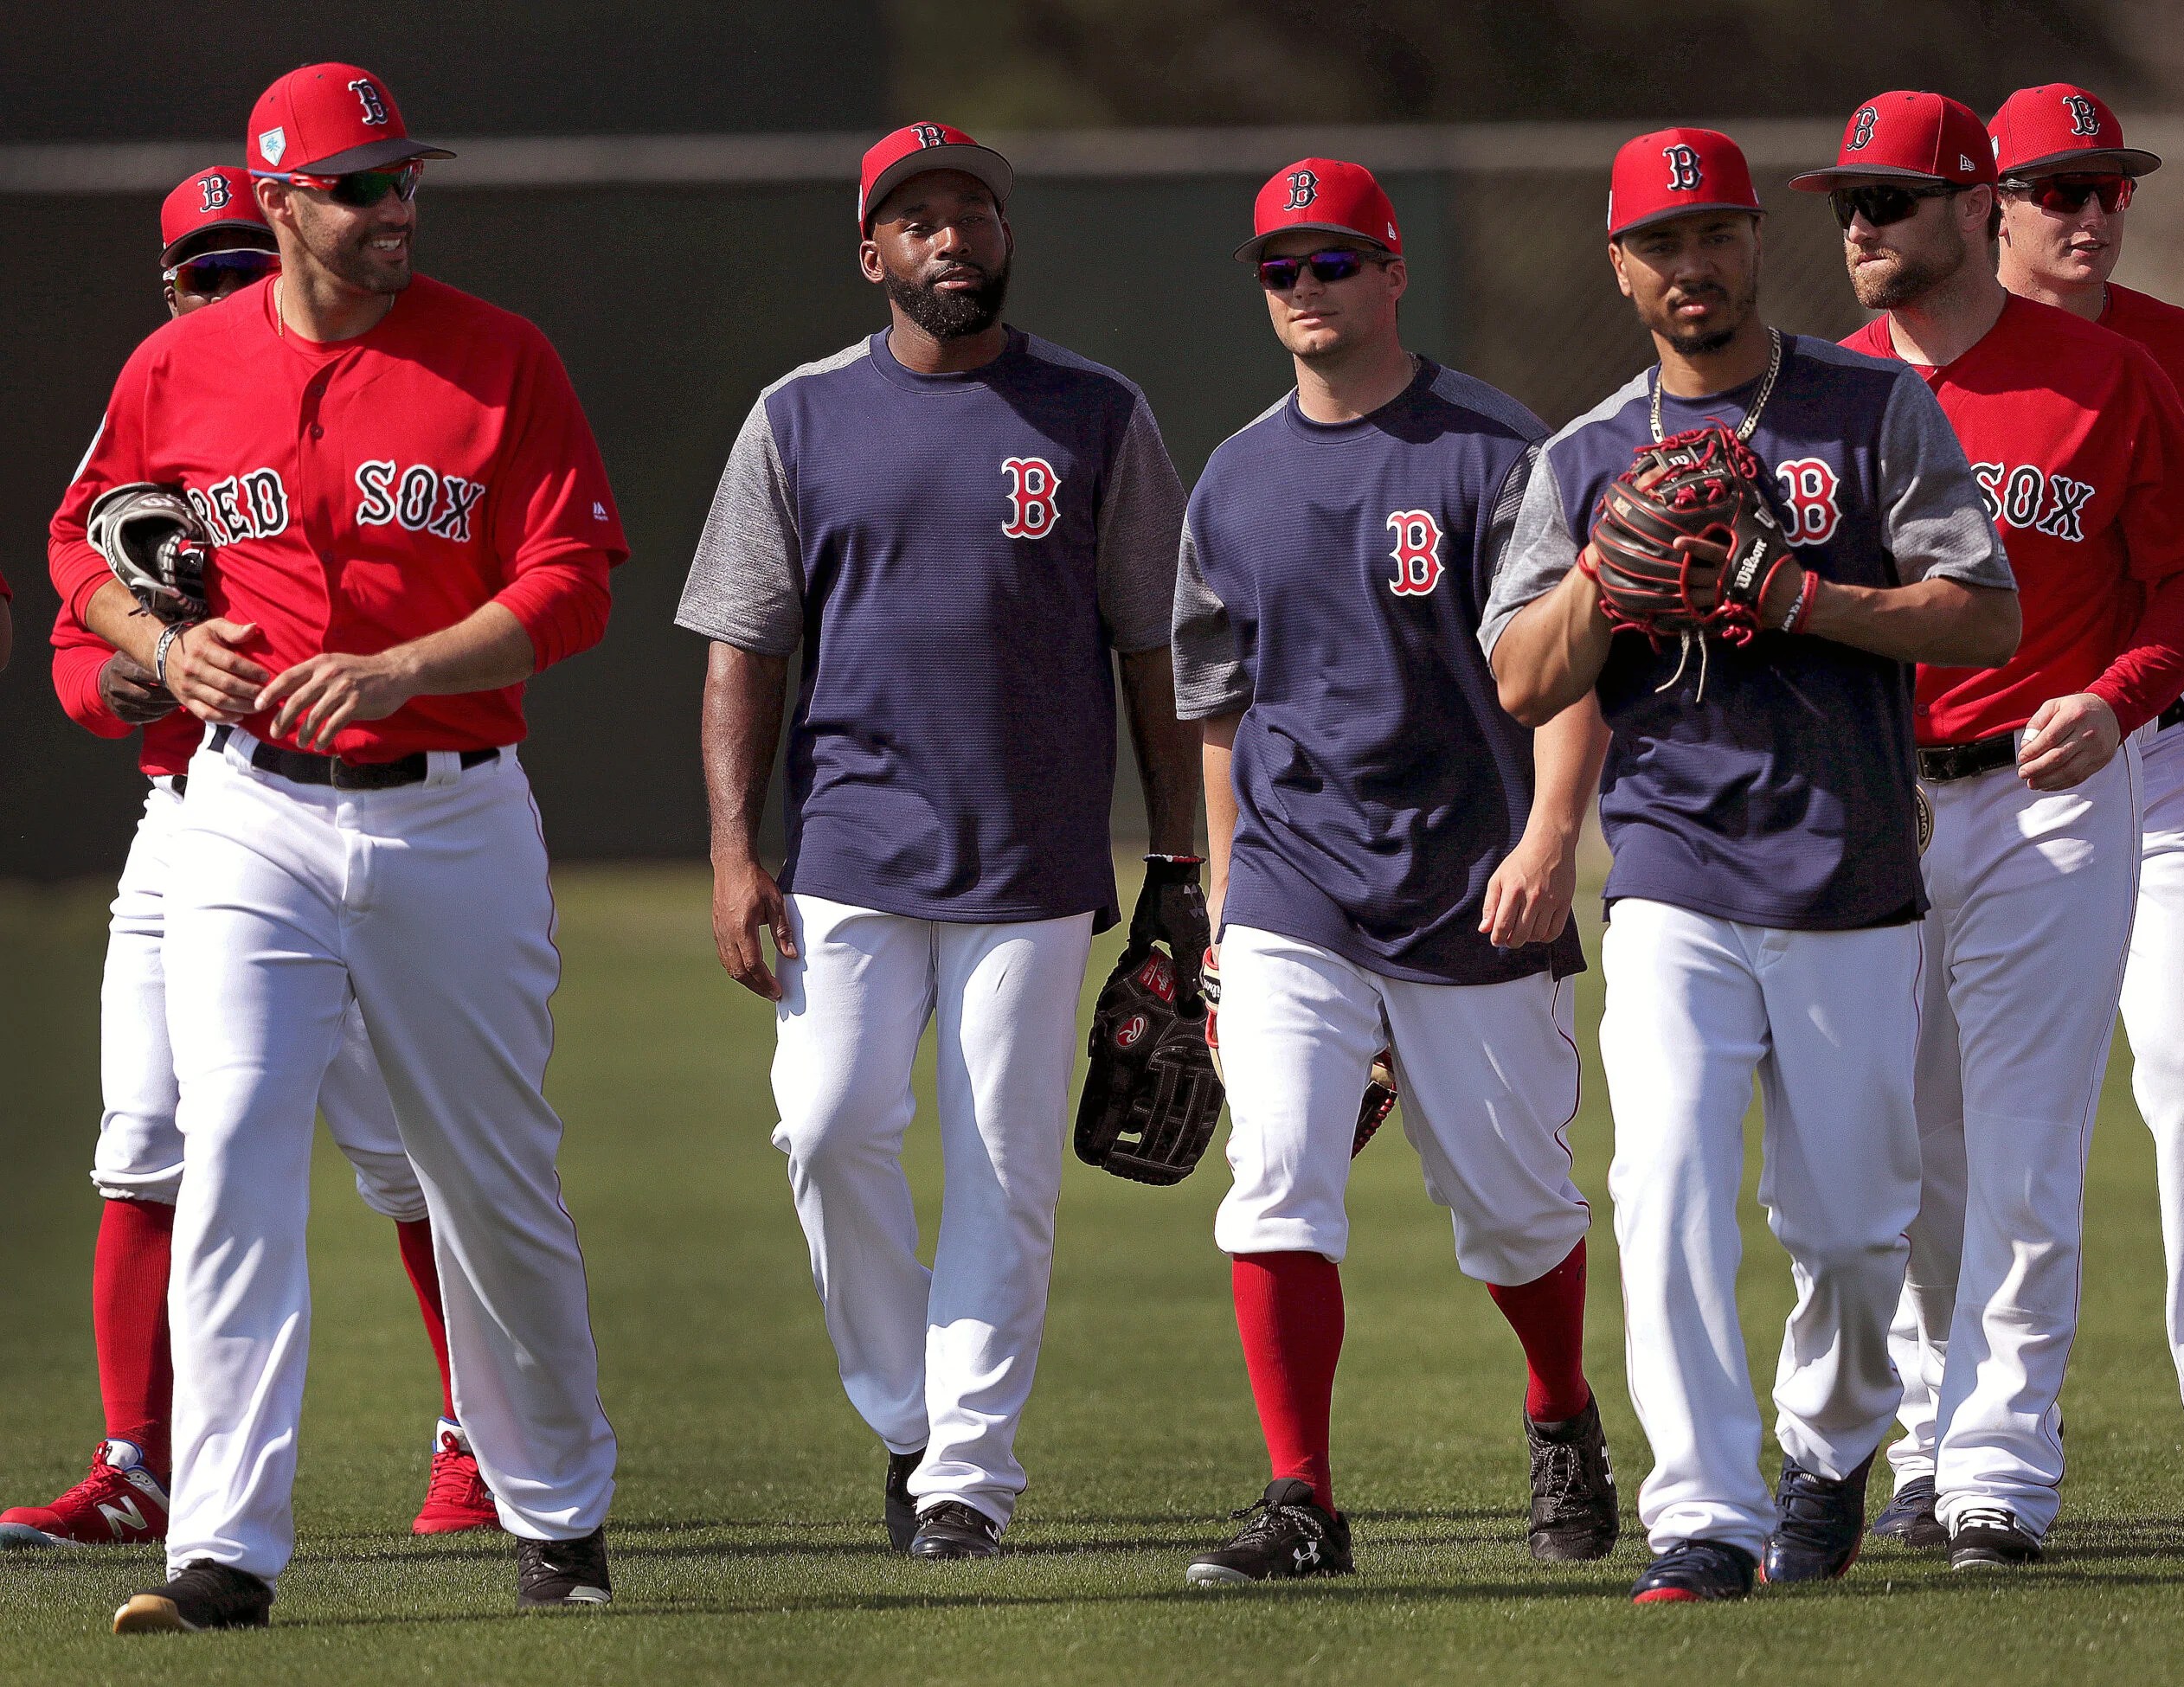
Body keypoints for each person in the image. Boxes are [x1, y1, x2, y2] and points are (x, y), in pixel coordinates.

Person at [49, 64, 626, 1631]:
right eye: (362, 185)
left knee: (491, 1176)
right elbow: (81, 536)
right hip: (247, 809)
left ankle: (559, 1507)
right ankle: (224, 1546)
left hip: (452, 805)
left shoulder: (498, 358)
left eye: (405, 180)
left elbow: (575, 575)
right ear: (283, 199)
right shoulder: (180, 364)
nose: (396, 209)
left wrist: (407, 667)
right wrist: (164, 654)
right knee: (232, 1152)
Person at [1485, 126, 2019, 1603]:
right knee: (1659, 1186)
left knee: (1852, 1231)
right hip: (1670, 871)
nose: (1690, 264)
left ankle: (1832, 1446)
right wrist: (1603, 575)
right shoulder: (1584, 455)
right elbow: (1525, 681)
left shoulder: (1872, 407)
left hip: (1848, 867)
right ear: (1621, 265)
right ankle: (1704, 1513)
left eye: (1712, 233)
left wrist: (1802, 595)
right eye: (1659, 243)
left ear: (1749, 245)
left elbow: (1984, 617)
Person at [678, 123, 1198, 1562]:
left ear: (1004, 236)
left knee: (1005, 1166)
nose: (952, 234)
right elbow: (741, 647)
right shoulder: (797, 417)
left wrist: (1178, 864)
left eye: (973, 209)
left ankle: (964, 1474)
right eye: (918, 217)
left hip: (1033, 863)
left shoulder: (1095, 414)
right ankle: (908, 1412)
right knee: (826, 1124)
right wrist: (733, 851)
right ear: (873, 254)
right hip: (847, 851)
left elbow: (1153, 649)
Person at [2, 164, 497, 1557]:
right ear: (172, 287)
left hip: (367, 815)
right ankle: (137, 1469)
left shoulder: (359, 403)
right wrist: (149, 673)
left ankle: (480, 1432)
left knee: (415, 1162)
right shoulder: (163, 410)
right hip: (193, 826)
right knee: (145, 1144)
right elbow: (69, 661)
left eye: (239, 260)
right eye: (199, 269)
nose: (223, 289)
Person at [1171, 157, 1617, 1587]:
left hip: (1468, 879)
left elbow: (1568, 665)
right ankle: (1301, 1496)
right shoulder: (1236, 475)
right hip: (1301, 878)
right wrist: (1229, 893)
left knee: (1514, 1209)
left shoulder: (1492, 449)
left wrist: (1553, 838)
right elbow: (1221, 704)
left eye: (1333, 262)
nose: (1307, 289)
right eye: (1281, 269)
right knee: (1278, 1176)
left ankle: (1561, 1411)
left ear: (1392, 269)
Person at [1797, 88, 2184, 1568]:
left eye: (1889, 200)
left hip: (2062, 795)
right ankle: (1925, 1440)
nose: (1862, 226)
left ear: (1969, 206)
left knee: (2034, 1145)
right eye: (1849, 205)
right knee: (1905, 1150)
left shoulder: (2107, 375)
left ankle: (1999, 1474)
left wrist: (2117, 695)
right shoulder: (1826, 393)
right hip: (1884, 807)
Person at [1982, 81, 2184, 1490]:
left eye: (2107, 187)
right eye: (2055, 188)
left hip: (2163, 760)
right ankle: (1984, 1420)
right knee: (1987, 1106)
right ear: (1987, 207)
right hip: (1972, 781)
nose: (2087, 213)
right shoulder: (1902, 368)